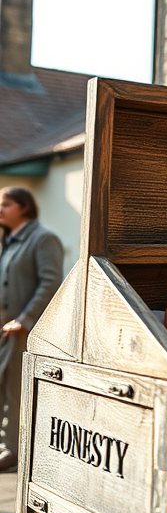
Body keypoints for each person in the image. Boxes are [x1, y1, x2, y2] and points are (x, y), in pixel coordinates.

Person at [0, 187, 64, 472]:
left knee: (16, 390)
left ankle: (12, 451)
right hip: (4, 331)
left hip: (22, 332)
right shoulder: (9, 241)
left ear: (24, 207)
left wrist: (25, 320)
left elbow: (51, 282)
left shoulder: (43, 238)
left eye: (6, 204)